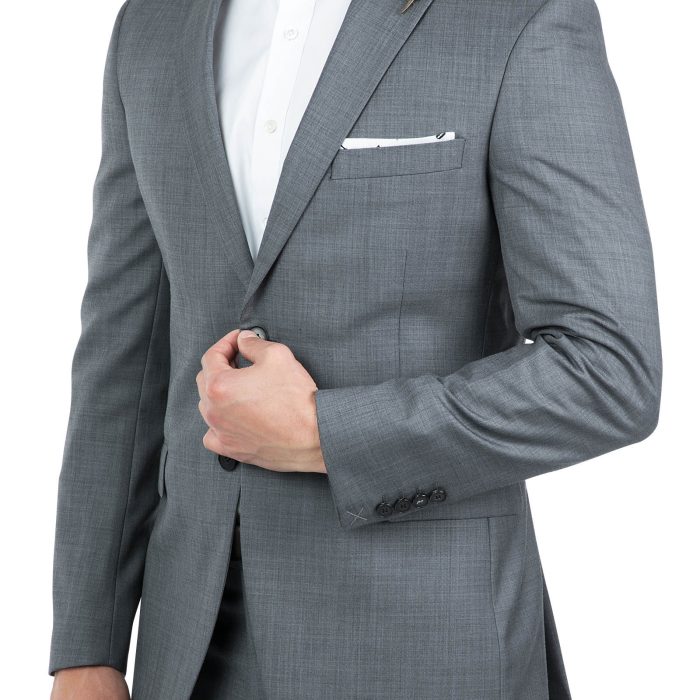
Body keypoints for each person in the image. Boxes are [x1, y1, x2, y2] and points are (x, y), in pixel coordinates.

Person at [49, 0, 662, 697]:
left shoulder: (515, 16)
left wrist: (327, 433)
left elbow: (608, 370)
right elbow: (123, 358)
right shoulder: (153, 23)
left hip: (422, 647)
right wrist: (87, 648)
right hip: (186, 651)